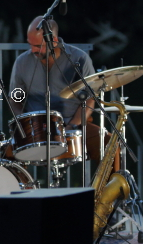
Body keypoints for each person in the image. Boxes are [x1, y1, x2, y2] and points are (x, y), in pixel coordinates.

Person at [9, 16, 107, 162]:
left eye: (38, 46)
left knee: (111, 144)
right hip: (35, 129)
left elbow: (90, 99)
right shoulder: (22, 62)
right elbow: (15, 99)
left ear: (53, 41)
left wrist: (73, 125)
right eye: (30, 44)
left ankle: (108, 184)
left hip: (74, 127)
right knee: (6, 155)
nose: (32, 50)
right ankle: (24, 184)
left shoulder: (80, 58)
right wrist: (23, 124)